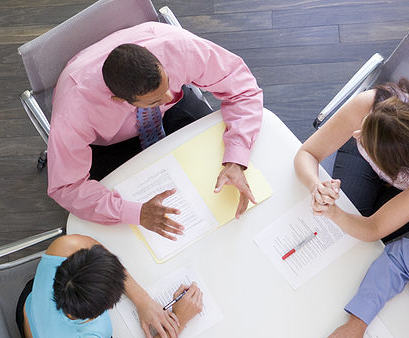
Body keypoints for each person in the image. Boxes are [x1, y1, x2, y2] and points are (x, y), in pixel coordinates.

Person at [48, 22, 263, 240]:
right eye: (156, 99)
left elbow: (243, 88)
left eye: (167, 83)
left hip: (171, 115)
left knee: (217, 168)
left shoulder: (178, 48)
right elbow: (67, 187)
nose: (170, 96)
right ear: (120, 100)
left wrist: (236, 158)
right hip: (113, 144)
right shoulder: (74, 112)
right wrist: (135, 213)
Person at [16, 233, 203, 338]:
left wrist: (142, 300)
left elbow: (93, 245)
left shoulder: (64, 246)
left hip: (30, 307)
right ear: (100, 313)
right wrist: (179, 320)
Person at [294, 78, 409, 242]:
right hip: (387, 149)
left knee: (354, 235)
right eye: (365, 123)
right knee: (348, 217)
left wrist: (334, 213)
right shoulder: (370, 104)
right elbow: (308, 153)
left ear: (389, 164)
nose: (355, 134)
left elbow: (374, 228)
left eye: (364, 140)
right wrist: (315, 186)